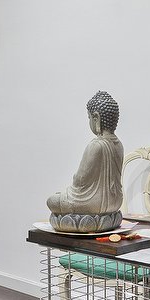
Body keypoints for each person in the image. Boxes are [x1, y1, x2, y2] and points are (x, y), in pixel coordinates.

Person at [46, 91, 124, 232]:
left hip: (90, 203)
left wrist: (74, 180)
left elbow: (80, 180)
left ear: (96, 118)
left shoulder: (95, 145)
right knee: (59, 198)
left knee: (52, 201)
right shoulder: (119, 145)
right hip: (115, 203)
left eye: (89, 117)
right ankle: (106, 220)